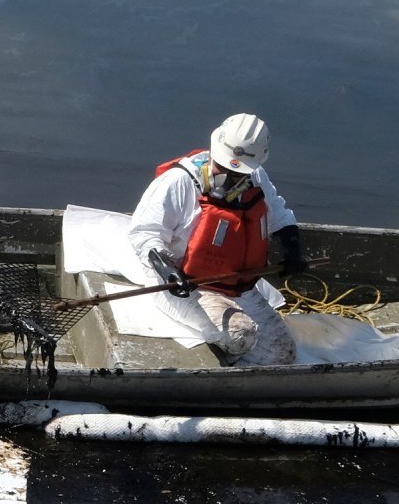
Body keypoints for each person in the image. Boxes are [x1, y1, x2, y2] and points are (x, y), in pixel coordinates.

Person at [126, 113, 307, 367]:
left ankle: (231, 344)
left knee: (282, 355)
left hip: (235, 284)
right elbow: (144, 233)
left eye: (238, 171)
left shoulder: (256, 178)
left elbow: (279, 214)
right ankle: (219, 358)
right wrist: (168, 272)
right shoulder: (178, 182)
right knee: (241, 335)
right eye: (223, 167)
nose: (229, 175)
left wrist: (294, 252)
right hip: (185, 285)